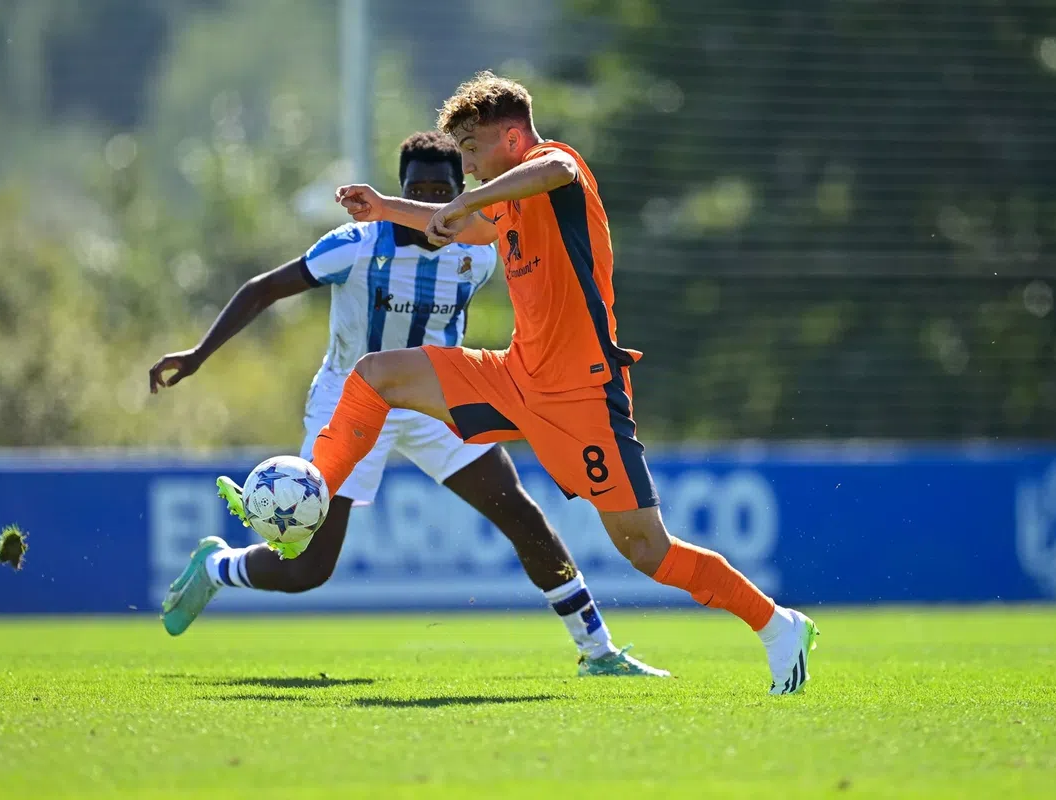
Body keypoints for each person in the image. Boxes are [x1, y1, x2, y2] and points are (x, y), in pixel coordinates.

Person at [318, 73, 819, 695]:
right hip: (516, 376)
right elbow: (461, 224)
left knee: (646, 551)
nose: (466, 166)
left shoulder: (556, 166)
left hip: (583, 396)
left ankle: (777, 625)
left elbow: (548, 172)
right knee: (377, 374)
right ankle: (315, 493)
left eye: (472, 150)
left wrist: (469, 201)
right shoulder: (497, 201)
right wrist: (388, 208)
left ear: (510, 136)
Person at [150, 130, 668, 678]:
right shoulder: (356, 244)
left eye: (437, 191)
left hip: (436, 397)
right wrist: (200, 354)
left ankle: (598, 651)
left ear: (458, 191)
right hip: (349, 399)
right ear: (399, 191)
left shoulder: (479, 252)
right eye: (414, 191)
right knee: (309, 569)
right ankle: (219, 567)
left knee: (521, 515)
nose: (425, 204)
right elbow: (263, 288)